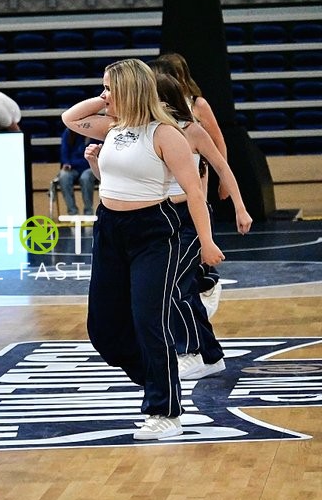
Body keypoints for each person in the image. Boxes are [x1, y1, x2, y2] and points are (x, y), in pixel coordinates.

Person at [62, 58, 224, 441]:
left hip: (154, 231)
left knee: (149, 321)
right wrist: (106, 98)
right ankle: (159, 378)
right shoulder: (114, 127)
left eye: (109, 88)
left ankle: (165, 410)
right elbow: (70, 117)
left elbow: (195, 194)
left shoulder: (166, 134)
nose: (103, 95)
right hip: (110, 229)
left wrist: (206, 242)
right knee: (102, 328)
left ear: (131, 90)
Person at [154, 73, 252, 379]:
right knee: (180, 288)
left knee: (173, 287)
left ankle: (190, 352)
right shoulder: (152, 132)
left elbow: (222, 166)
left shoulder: (191, 130)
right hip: (161, 216)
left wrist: (240, 207)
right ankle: (211, 356)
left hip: (190, 216)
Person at [151, 53, 230, 317]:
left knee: (191, 250)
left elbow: (218, 144)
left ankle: (205, 284)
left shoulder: (197, 105)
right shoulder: (156, 115)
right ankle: (202, 284)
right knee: (176, 260)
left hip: (196, 185)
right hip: (166, 196)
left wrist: (225, 182)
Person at [59, 128, 98, 216]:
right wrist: (66, 163)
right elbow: (64, 151)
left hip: (90, 167)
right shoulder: (69, 132)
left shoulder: (96, 131)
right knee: (63, 176)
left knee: (85, 177)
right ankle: (72, 213)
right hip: (73, 167)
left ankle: (89, 212)